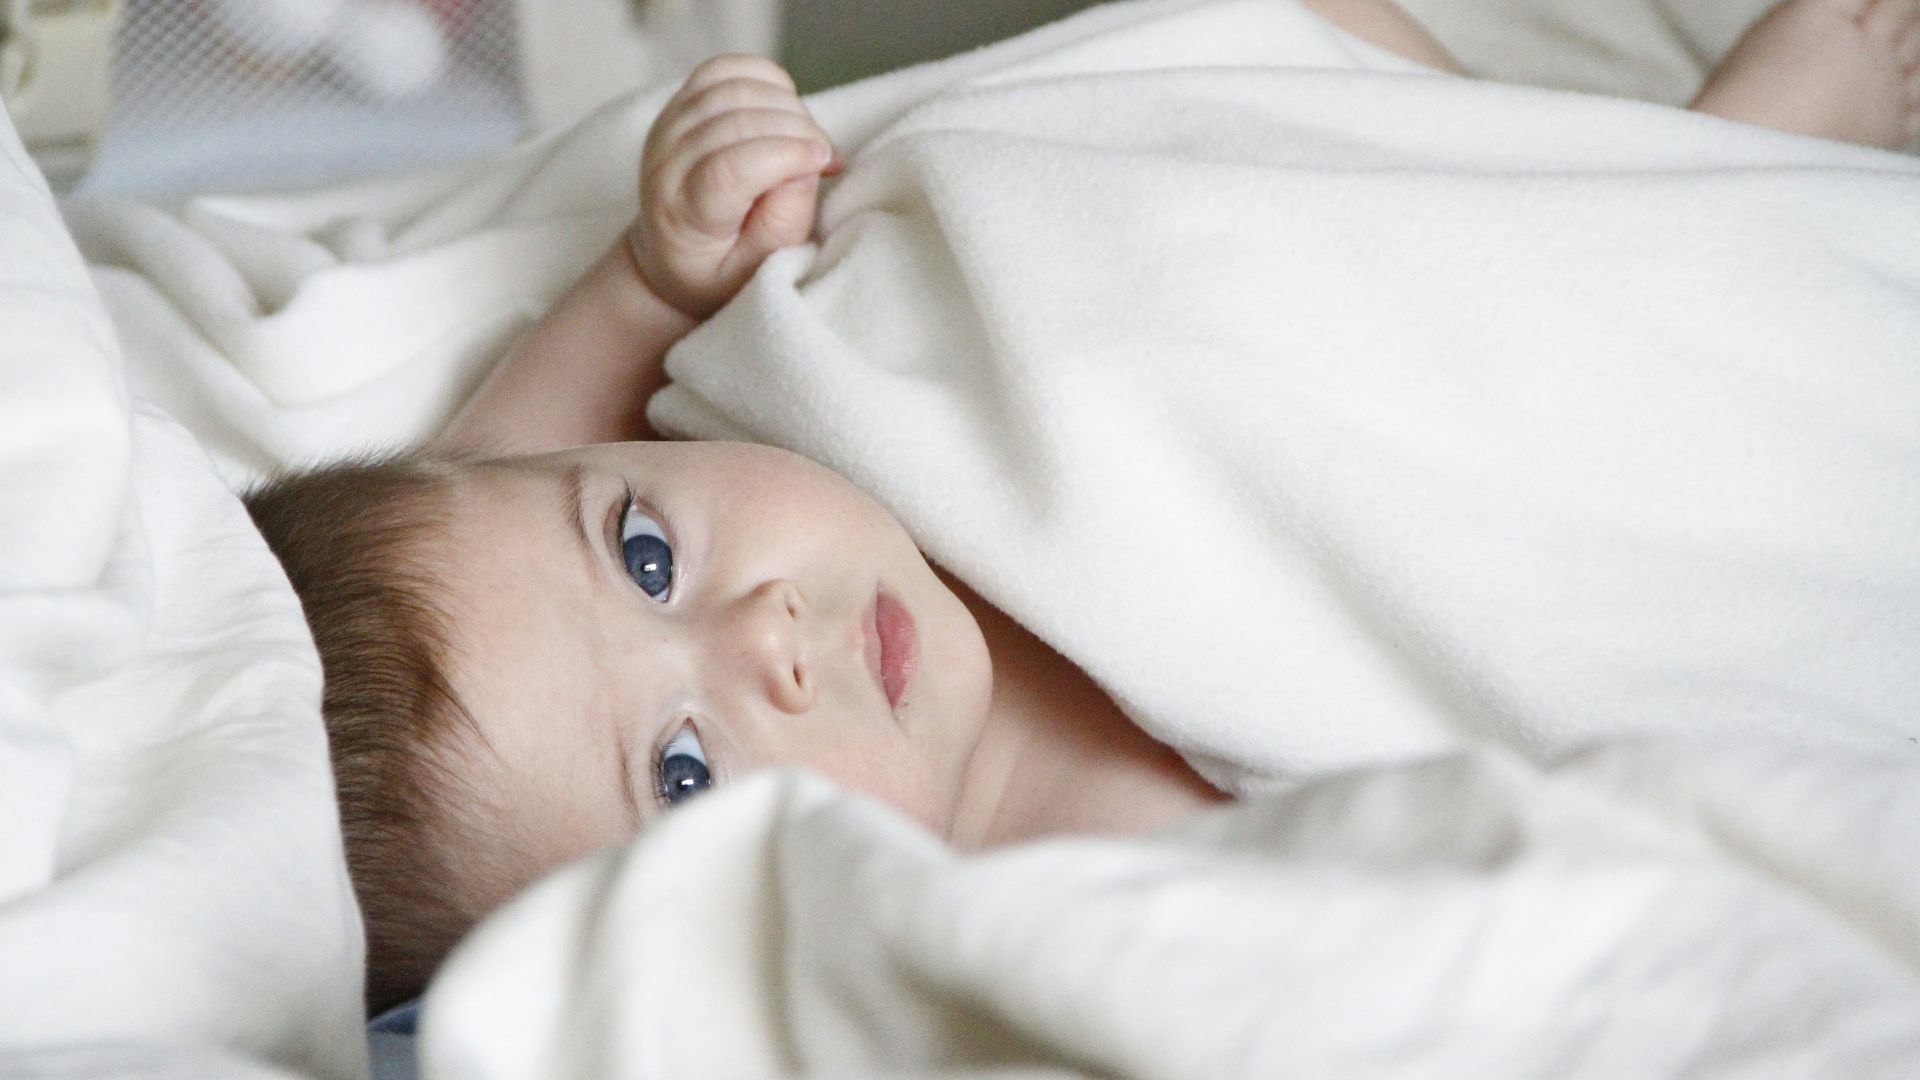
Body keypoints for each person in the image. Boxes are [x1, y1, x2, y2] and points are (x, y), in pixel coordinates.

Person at [243, 0, 1920, 1014]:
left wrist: (647, 272)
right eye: (683, 770)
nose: (764, 633)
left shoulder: (849, 414)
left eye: (652, 549)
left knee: (1296, 58)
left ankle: (1650, 186)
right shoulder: (1036, 923)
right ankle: (1716, 184)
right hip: (1562, 557)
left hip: (1361, 329)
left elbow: (478, 483)